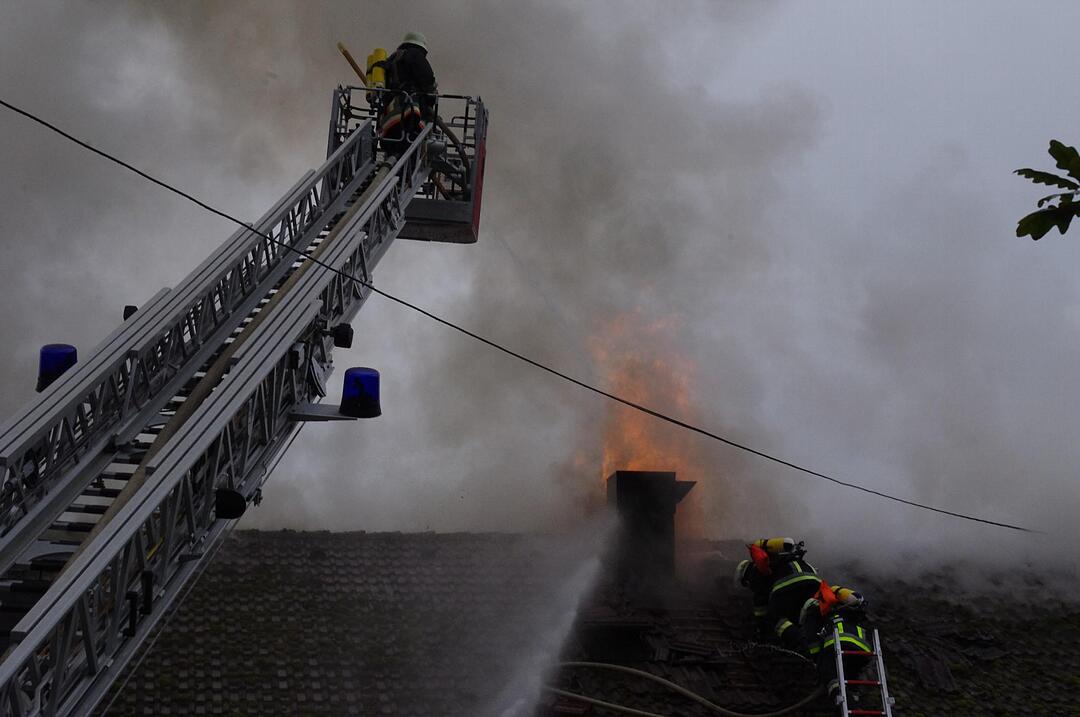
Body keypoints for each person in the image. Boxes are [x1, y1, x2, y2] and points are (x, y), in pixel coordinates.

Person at [799, 582, 874, 706]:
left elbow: (812, 640)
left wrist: (816, 660)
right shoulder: (848, 611)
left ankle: (845, 704)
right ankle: (854, 701)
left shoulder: (813, 612)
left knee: (829, 673)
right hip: (862, 648)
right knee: (851, 676)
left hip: (838, 644)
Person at [734, 538, 819, 645]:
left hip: (788, 584)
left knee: (778, 620)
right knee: (803, 614)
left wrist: (761, 626)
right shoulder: (785, 559)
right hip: (814, 582)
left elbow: (761, 601)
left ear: (744, 574)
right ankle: (814, 640)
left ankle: (800, 643)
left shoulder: (754, 572)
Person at [377, 31, 438, 156]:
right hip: (409, 115)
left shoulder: (392, 59)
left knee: (394, 152)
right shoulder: (415, 55)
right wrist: (431, 100)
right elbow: (427, 80)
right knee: (411, 154)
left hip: (390, 116)